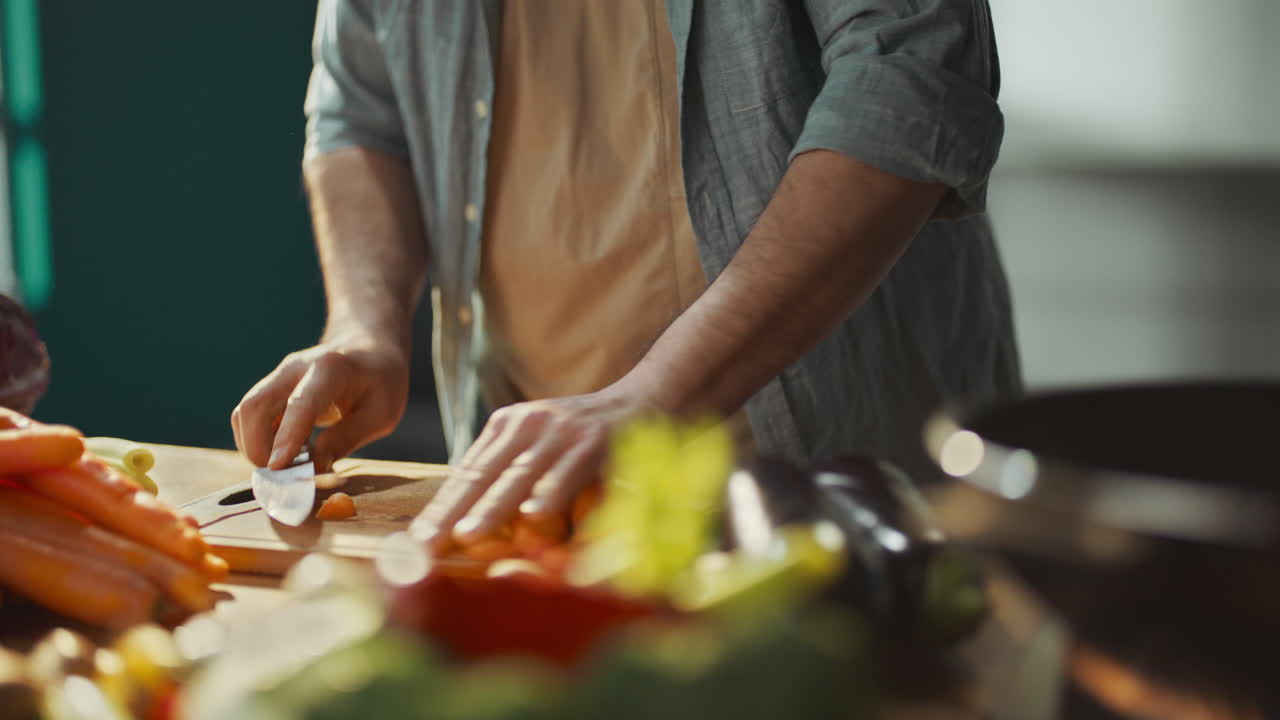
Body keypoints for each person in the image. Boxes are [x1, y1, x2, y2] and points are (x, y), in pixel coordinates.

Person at [231, 0, 1020, 554]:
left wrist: (652, 394)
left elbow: (911, 75)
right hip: (541, 483)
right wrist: (365, 324)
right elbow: (359, 106)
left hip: (846, 475)